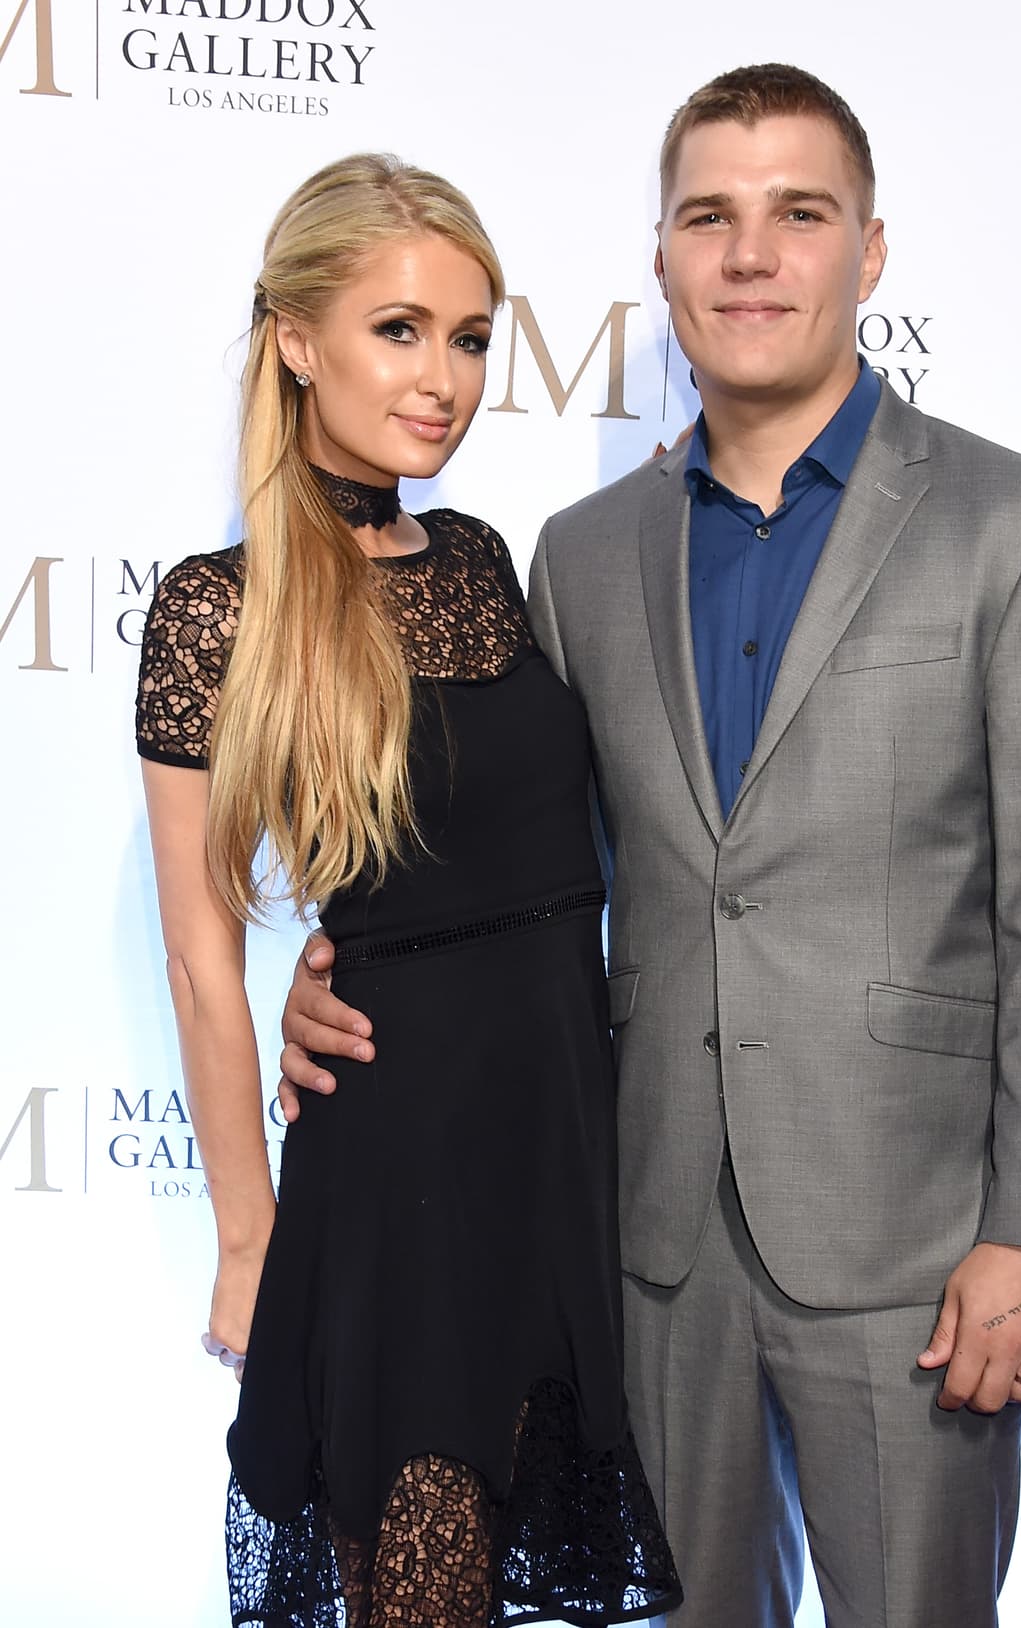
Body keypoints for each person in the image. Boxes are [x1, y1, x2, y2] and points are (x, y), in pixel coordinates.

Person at [279, 66, 1021, 1628]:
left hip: (917, 1250)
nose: (750, 255)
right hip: (650, 1246)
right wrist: (343, 973)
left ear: (869, 250)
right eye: (708, 218)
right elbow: (522, 876)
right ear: (664, 259)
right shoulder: (580, 557)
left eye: (798, 213)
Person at [135, 153, 680, 1628]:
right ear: (297, 341)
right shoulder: (217, 606)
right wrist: (246, 1242)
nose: (444, 378)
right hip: (401, 1177)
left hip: (557, 1150)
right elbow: (199, 959)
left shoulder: (486, 561)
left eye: (471, 336)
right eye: (399, 329)